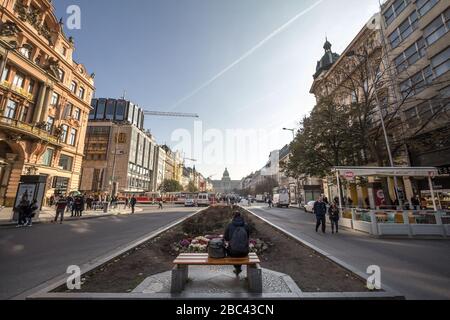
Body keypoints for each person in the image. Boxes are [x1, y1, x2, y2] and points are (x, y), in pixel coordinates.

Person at [224, 211, 250, 276]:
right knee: (240, 249)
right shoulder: (246, 226)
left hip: (233, 253)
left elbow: (226, 238)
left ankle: (237, 267)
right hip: (244, 252)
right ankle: (238, 267)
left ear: (234, 217)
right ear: (241, 217)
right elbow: (247, 237)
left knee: (233, 250)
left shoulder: (230, 225)